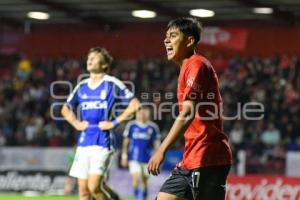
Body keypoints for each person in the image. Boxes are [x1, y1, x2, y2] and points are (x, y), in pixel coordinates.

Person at [147, 17, 233, 200]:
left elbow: (187, 113)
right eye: (166, 36)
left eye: (173, 36)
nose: (166, 40)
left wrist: (161, 150)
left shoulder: (197, 64)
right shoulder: (186, 68)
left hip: (208, 156)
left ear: (190, 41)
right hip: (193, 156)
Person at [61, 47, 140, 200]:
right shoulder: (82, 85)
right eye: (88, 57)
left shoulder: (111, 83)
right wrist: (77, 124)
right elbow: (65, 109)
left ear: (104, 65)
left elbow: (135, 105)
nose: (89, 59)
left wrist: (114, 123)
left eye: (94, 57)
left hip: (102, 140)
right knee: (83, 192)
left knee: (94, 187)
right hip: (84, 142)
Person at [121, 106, 161, 200]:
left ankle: (143, 197)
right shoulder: (131, 125)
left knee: (145, 181)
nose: (142, 115)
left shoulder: (153, 127)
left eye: (144, 113)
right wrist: (124, 155)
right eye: (140, 113)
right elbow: (126, 141)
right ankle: (136, 197)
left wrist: (157, 156)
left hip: (147, 158)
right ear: (137, 114)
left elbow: (156, 143)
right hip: (133, 157)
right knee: (136, 178)